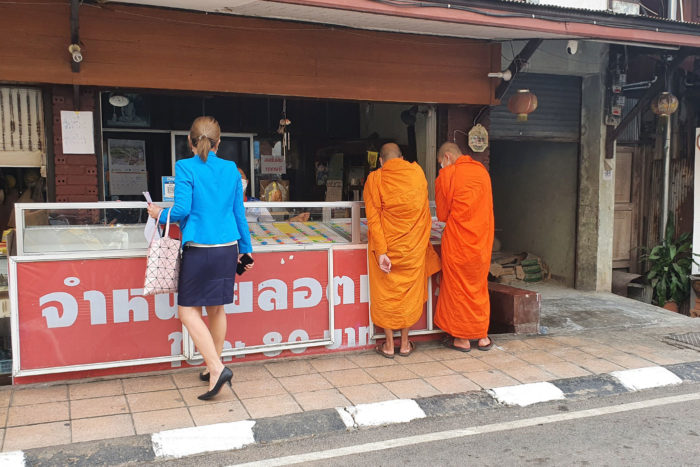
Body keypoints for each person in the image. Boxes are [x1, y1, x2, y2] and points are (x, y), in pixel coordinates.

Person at [147, 116, 253, 400]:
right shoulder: (231, 169)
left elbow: (181, 210)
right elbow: (238, 213)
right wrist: (246, 248)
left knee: (186, 311)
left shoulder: (185, 167)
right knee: (216, 308)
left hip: (200, 248)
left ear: (190, 142)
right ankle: (213, 365)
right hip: (228, 247)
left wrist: (159, 214)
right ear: (219, 143)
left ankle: (216, 368)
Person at [363, 142, 440, 358]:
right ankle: (405, 343)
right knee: (408, 294)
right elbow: (424, 211)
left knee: (386, 294)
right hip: (413, 248)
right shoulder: (417, 173)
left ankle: (388, 345)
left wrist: (382, 252)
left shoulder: (375, 179)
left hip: (388, 249)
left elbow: (373, 219)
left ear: (380, 161)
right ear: (403, 158)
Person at [434, 142, 495, 352]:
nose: (441, 167)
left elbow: (442, 215)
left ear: (448, 157)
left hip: (459, 244)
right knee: (478, 287)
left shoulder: (447, 176)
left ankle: (462, 338)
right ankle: (482, 336)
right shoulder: (482, 172)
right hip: (481, 242)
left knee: (458, 290)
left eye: (440, 162)